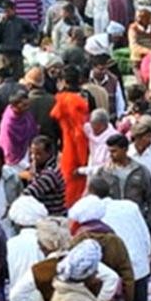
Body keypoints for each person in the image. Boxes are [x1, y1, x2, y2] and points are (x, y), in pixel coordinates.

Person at [53, 66, 92, 207]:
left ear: (63, 81)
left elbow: (55, 127)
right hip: (87, 146)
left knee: (68, 183)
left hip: (66, 146)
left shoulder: (59, 100)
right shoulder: (87, 96)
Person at [0, 88, 38, 167]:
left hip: (27, 151)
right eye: (24, 105)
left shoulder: (26, 115)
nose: (27, 107)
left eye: (28, 104)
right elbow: (8, 146)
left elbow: (33, 129)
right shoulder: (8, 123)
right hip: (13, 159)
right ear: (14, 106)